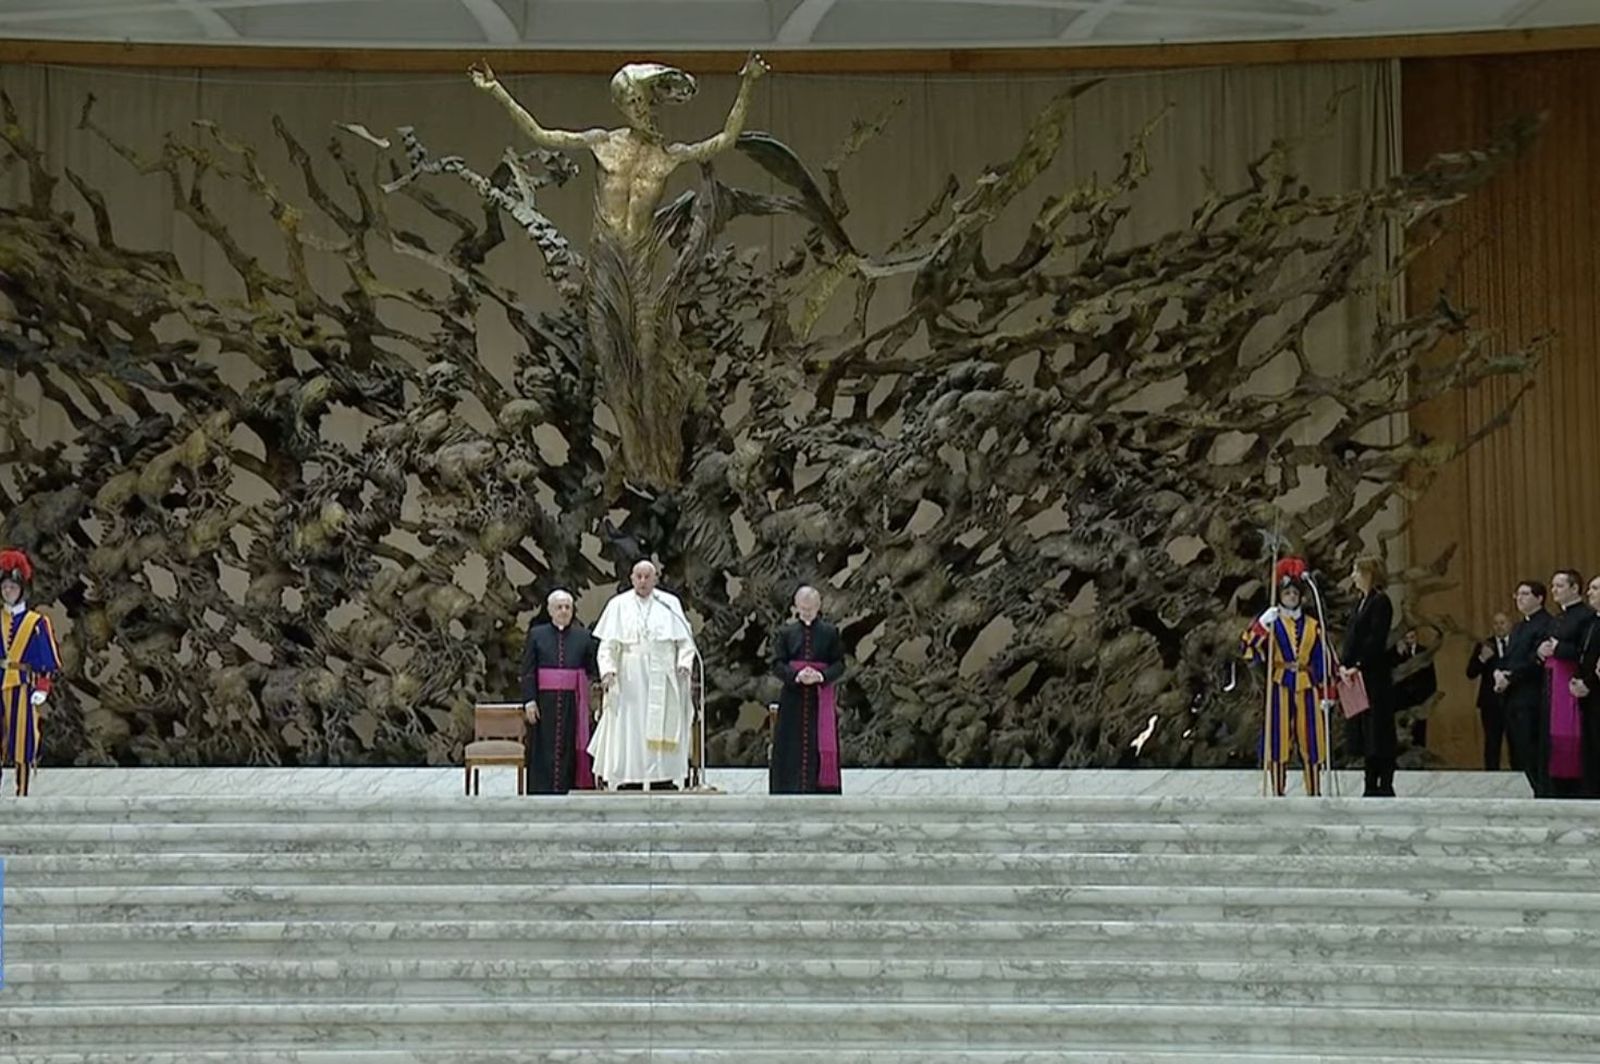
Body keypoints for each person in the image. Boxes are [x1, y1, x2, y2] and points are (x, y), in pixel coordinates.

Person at [588, 560, 698, 790]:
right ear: (631, 578)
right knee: (631, 728)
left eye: (648, 576)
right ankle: (630, 777)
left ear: (656, 578)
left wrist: (684, 663)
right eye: (638, 576)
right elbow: (607, 646)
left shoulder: (669, 603)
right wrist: (608, 671)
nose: (643, 581)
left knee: (663, 723)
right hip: (629, 677)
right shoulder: (618, 605)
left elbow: (686, 642)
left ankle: (663, 777)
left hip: (664, 674)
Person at [1242, 557, 1334, 797]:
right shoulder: (1270, 622)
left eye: (1295, 593)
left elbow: (1322, 659)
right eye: (1287, 592)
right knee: (1278, 739)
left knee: (1311, 739)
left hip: (1307, 685)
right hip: (1279, 684)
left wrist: (1326, 692)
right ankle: (1277, 792)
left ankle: (1314, 792)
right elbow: (1248, 650)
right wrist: (1261, 626)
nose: (1291, 596)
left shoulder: (1314, 625)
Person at [519, 590, 601, 795]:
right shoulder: (537, 635)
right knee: (543, 748)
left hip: (572, 704)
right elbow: (528, 671)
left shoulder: (583, 637)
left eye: (567, 607)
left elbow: (593, 671)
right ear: (550, 610)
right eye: (559, 607)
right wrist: (529, 701)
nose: (563, 611)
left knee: (569, 748)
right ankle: (541, 791)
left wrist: (593, 699)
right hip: (544, 703)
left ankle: (570, 789)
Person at [769, 586, 846, 795]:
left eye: (810, 609)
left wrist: (821, 676)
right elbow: (776, 664)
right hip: (793, 698)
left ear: (818, 607)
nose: (807, 613)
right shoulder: (786, 633)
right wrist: (796, 676)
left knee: (816, 745)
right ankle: (788, 788)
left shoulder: (830, 633)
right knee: (790, 745)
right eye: (803, 609)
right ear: (796, 606)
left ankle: (819, 790)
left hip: (819, 700)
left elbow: (839, 664)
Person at [1, 549, 61, 798]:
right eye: (4, 587)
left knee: (22, 742)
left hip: (23, 686)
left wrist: (43, 686)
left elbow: (45, 659)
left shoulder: (36, 622)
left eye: (12, 587)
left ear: (22, 589)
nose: (7, 592)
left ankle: (22, 793)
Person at [1339, 555, 1396, 798]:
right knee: (1364, 729)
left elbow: (1376, 638)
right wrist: (1343, 665)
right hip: (1357, 677)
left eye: (1356, 571)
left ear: (1368, 574)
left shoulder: (1380, 602)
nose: (1352, 576)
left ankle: (1383, 782)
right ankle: (1369, 781)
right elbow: (1351, 639)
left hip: (1373, 676)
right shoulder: (1359, 603)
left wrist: (1359, 664)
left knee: (1378, 729)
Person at [1536, 569, 1593, 797]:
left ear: (1574, 588)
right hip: (1552, 684)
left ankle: (1575, 786)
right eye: (1553, 586)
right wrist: (1540, 651)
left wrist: (1558, 648)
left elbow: (1585, 651)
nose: (1554, 591)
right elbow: (1543, 647)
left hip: (1572, 684)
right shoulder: (1557, 618)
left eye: (1559, 586)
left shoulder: (1586, 617)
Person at [1495, 580, 1553, 795]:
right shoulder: (1519, 627)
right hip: (1513, 697)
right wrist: (1498, 672)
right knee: (1518, 751)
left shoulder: (1547, 623)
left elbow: (1535, 660)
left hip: (1532, 696)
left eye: (1526, 594)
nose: (1520, 598)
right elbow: (1508, 657)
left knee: (1533, 749)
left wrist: (1510, 676)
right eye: (1517, 594)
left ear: (1539, 598)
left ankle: (1543, 792)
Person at [1466, 612, 1513, 770]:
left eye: (1502, 623)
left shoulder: (1517, 642)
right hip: (1490, 703)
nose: (1499, 626)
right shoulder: (1485, 645)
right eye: (1496, 623)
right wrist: (1482, 659)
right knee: (1492, 742)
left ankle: (1520, 776)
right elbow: (1470, 673)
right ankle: (1492, 776)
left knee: (1516, 742)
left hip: (1514, 701)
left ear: (1510, 624)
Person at [1569, 576, 1600, 797]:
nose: (1590, 592)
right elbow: (1585, 656)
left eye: (1596, 588)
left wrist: (1589, 683)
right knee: (1590, 748)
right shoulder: (1591, 623)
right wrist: (1577, 681)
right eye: (1590, 588)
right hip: (1587, 695)